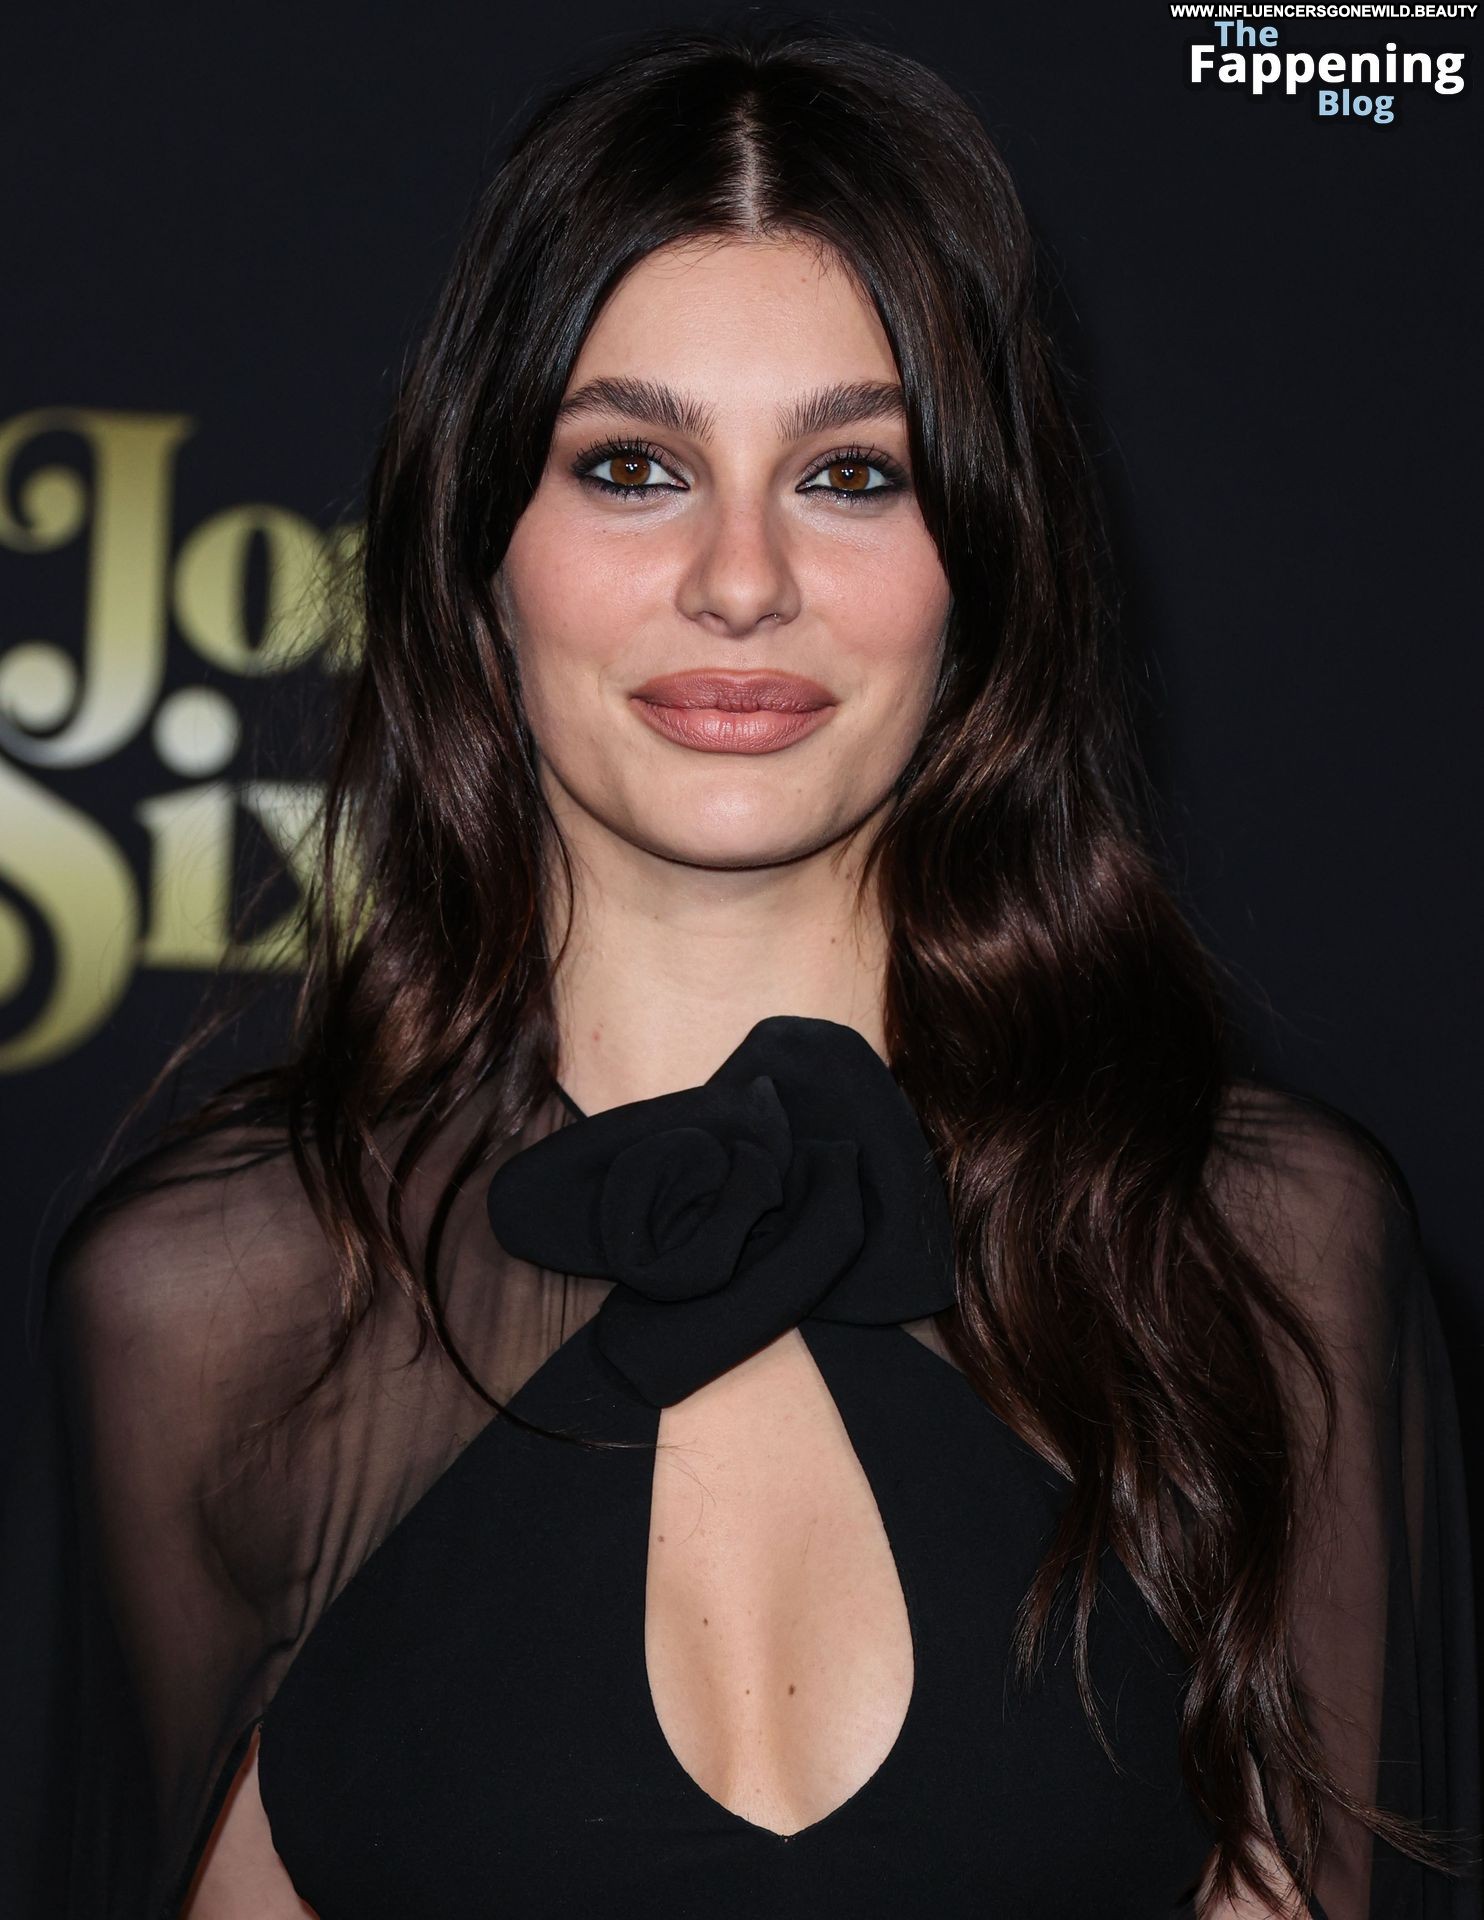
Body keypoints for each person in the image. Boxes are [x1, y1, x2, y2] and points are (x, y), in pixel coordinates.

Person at [1, 19, 1477, 1920]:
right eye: (631, 465)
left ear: (984, 562)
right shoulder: (220, 1310)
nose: (742, 578)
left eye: (852, 473)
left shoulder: (1247, 1254)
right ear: (478, 547)